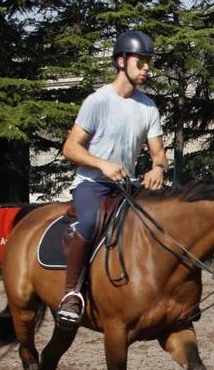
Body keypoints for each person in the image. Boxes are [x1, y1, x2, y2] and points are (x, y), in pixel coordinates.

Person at [57, 30, 167, 330]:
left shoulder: (148, 107)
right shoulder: (97, 101)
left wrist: (158, 169)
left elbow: (159, 153)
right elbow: (70, 147)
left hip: (128, 185)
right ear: (121, 61)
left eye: (148, 63)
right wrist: (101, 164)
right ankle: (70, 294)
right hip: (92, 183)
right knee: (91, 222)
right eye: (141, 62)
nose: (147, 69)